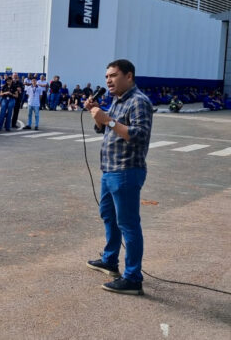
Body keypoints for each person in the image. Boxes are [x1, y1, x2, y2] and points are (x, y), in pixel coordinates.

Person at [85, 59, 153, 295]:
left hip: (126, 171)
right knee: (109, 216)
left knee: (128, 224)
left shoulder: (139, 101)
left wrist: (108, 119)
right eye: (106, 77)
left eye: (113, 75)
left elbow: (138, 135)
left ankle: (133, 278)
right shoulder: (117, 100)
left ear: (129, 76)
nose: (108, 80)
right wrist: (97, 114)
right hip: (110, 170)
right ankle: (110, 260)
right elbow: (103, 129)